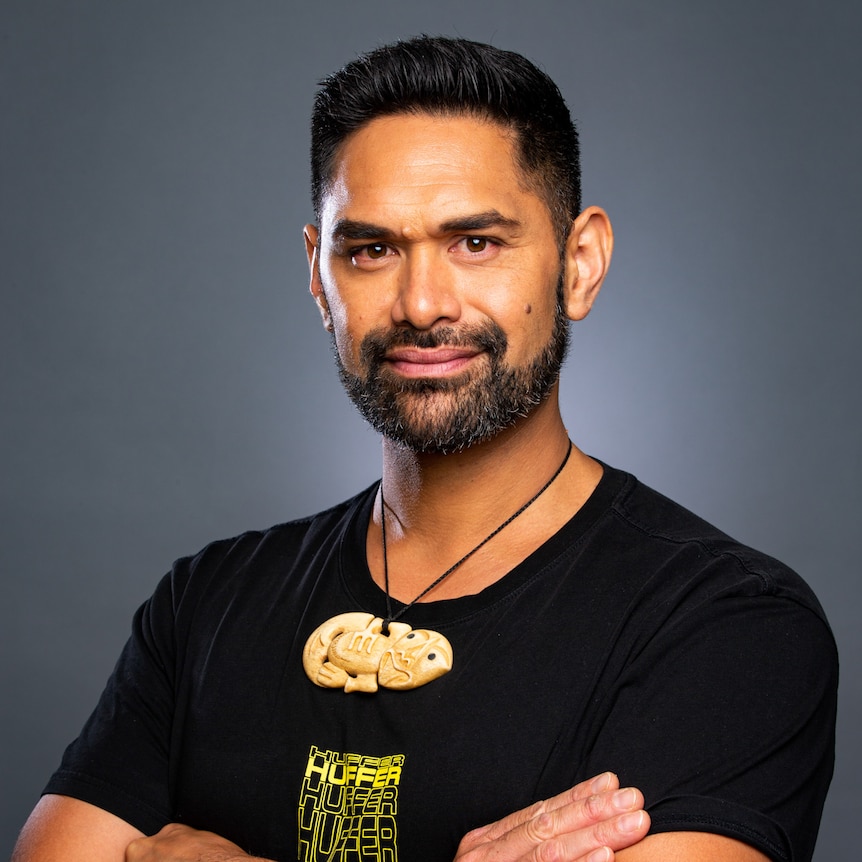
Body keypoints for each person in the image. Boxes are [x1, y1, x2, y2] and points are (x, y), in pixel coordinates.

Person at [12, 36, 837, 862]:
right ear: (318, 277)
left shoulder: (728, 624)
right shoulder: (207, 603)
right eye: (370, 250)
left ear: (579, 264)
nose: (421, 303)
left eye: (476, 242)